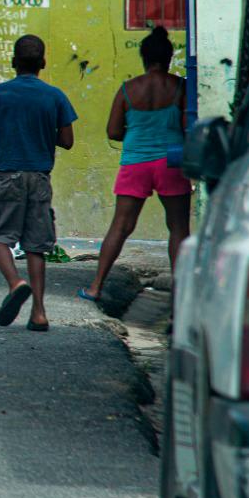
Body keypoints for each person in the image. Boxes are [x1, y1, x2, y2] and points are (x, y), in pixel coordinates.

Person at [80, 27, 190, 303]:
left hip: (135, 162)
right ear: (169, 56)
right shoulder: (180, 87)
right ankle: (178, 300)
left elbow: (113, 131)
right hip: (172, 161)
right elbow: (189, 126)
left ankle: (95, 286)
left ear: (143, 57)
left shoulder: (128, 90)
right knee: (178, 228)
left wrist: (137, 130)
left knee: (121, 225)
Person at [0, 35, 77, 332]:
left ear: (13, 62)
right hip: (39, 176)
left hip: (7, 173)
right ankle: (39, 313)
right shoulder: (55, 96)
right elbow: (68, 140)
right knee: (36, 246)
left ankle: (15, 282)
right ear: (43, 63)